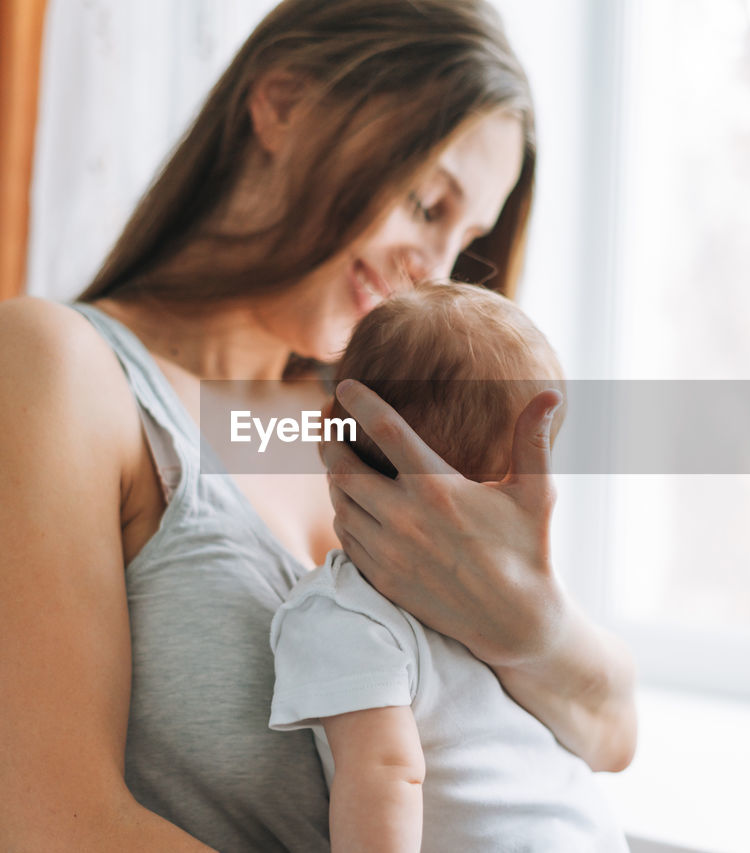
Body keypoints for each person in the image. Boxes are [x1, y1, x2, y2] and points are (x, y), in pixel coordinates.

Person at [0, 1, 636, 850]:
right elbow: (48, 830)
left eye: (467, 241)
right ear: (281, 102)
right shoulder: (61, 369)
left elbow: (611, 734)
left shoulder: (383, 429)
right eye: (426, 203)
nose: (436, 269)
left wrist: (532, 626)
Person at [270, 283, 630, 852]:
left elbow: (388, 771)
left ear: (329, 429)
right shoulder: (356, 615)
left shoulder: (342, 614)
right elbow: (389, 770)